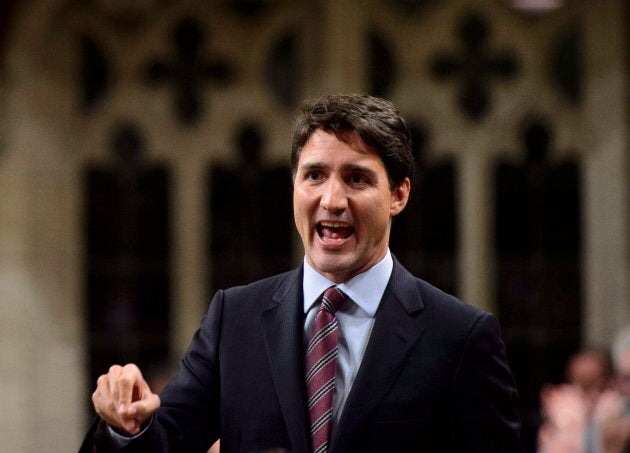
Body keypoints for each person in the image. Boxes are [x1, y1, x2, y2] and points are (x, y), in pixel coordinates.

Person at [81, 94, 523, 452]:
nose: (332, 199)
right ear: (294, 186)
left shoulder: (460, 336)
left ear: (398, 195)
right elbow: (166, 444)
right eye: (314, 175)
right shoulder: (235, 318)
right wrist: (127, 427)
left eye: (356, 179)